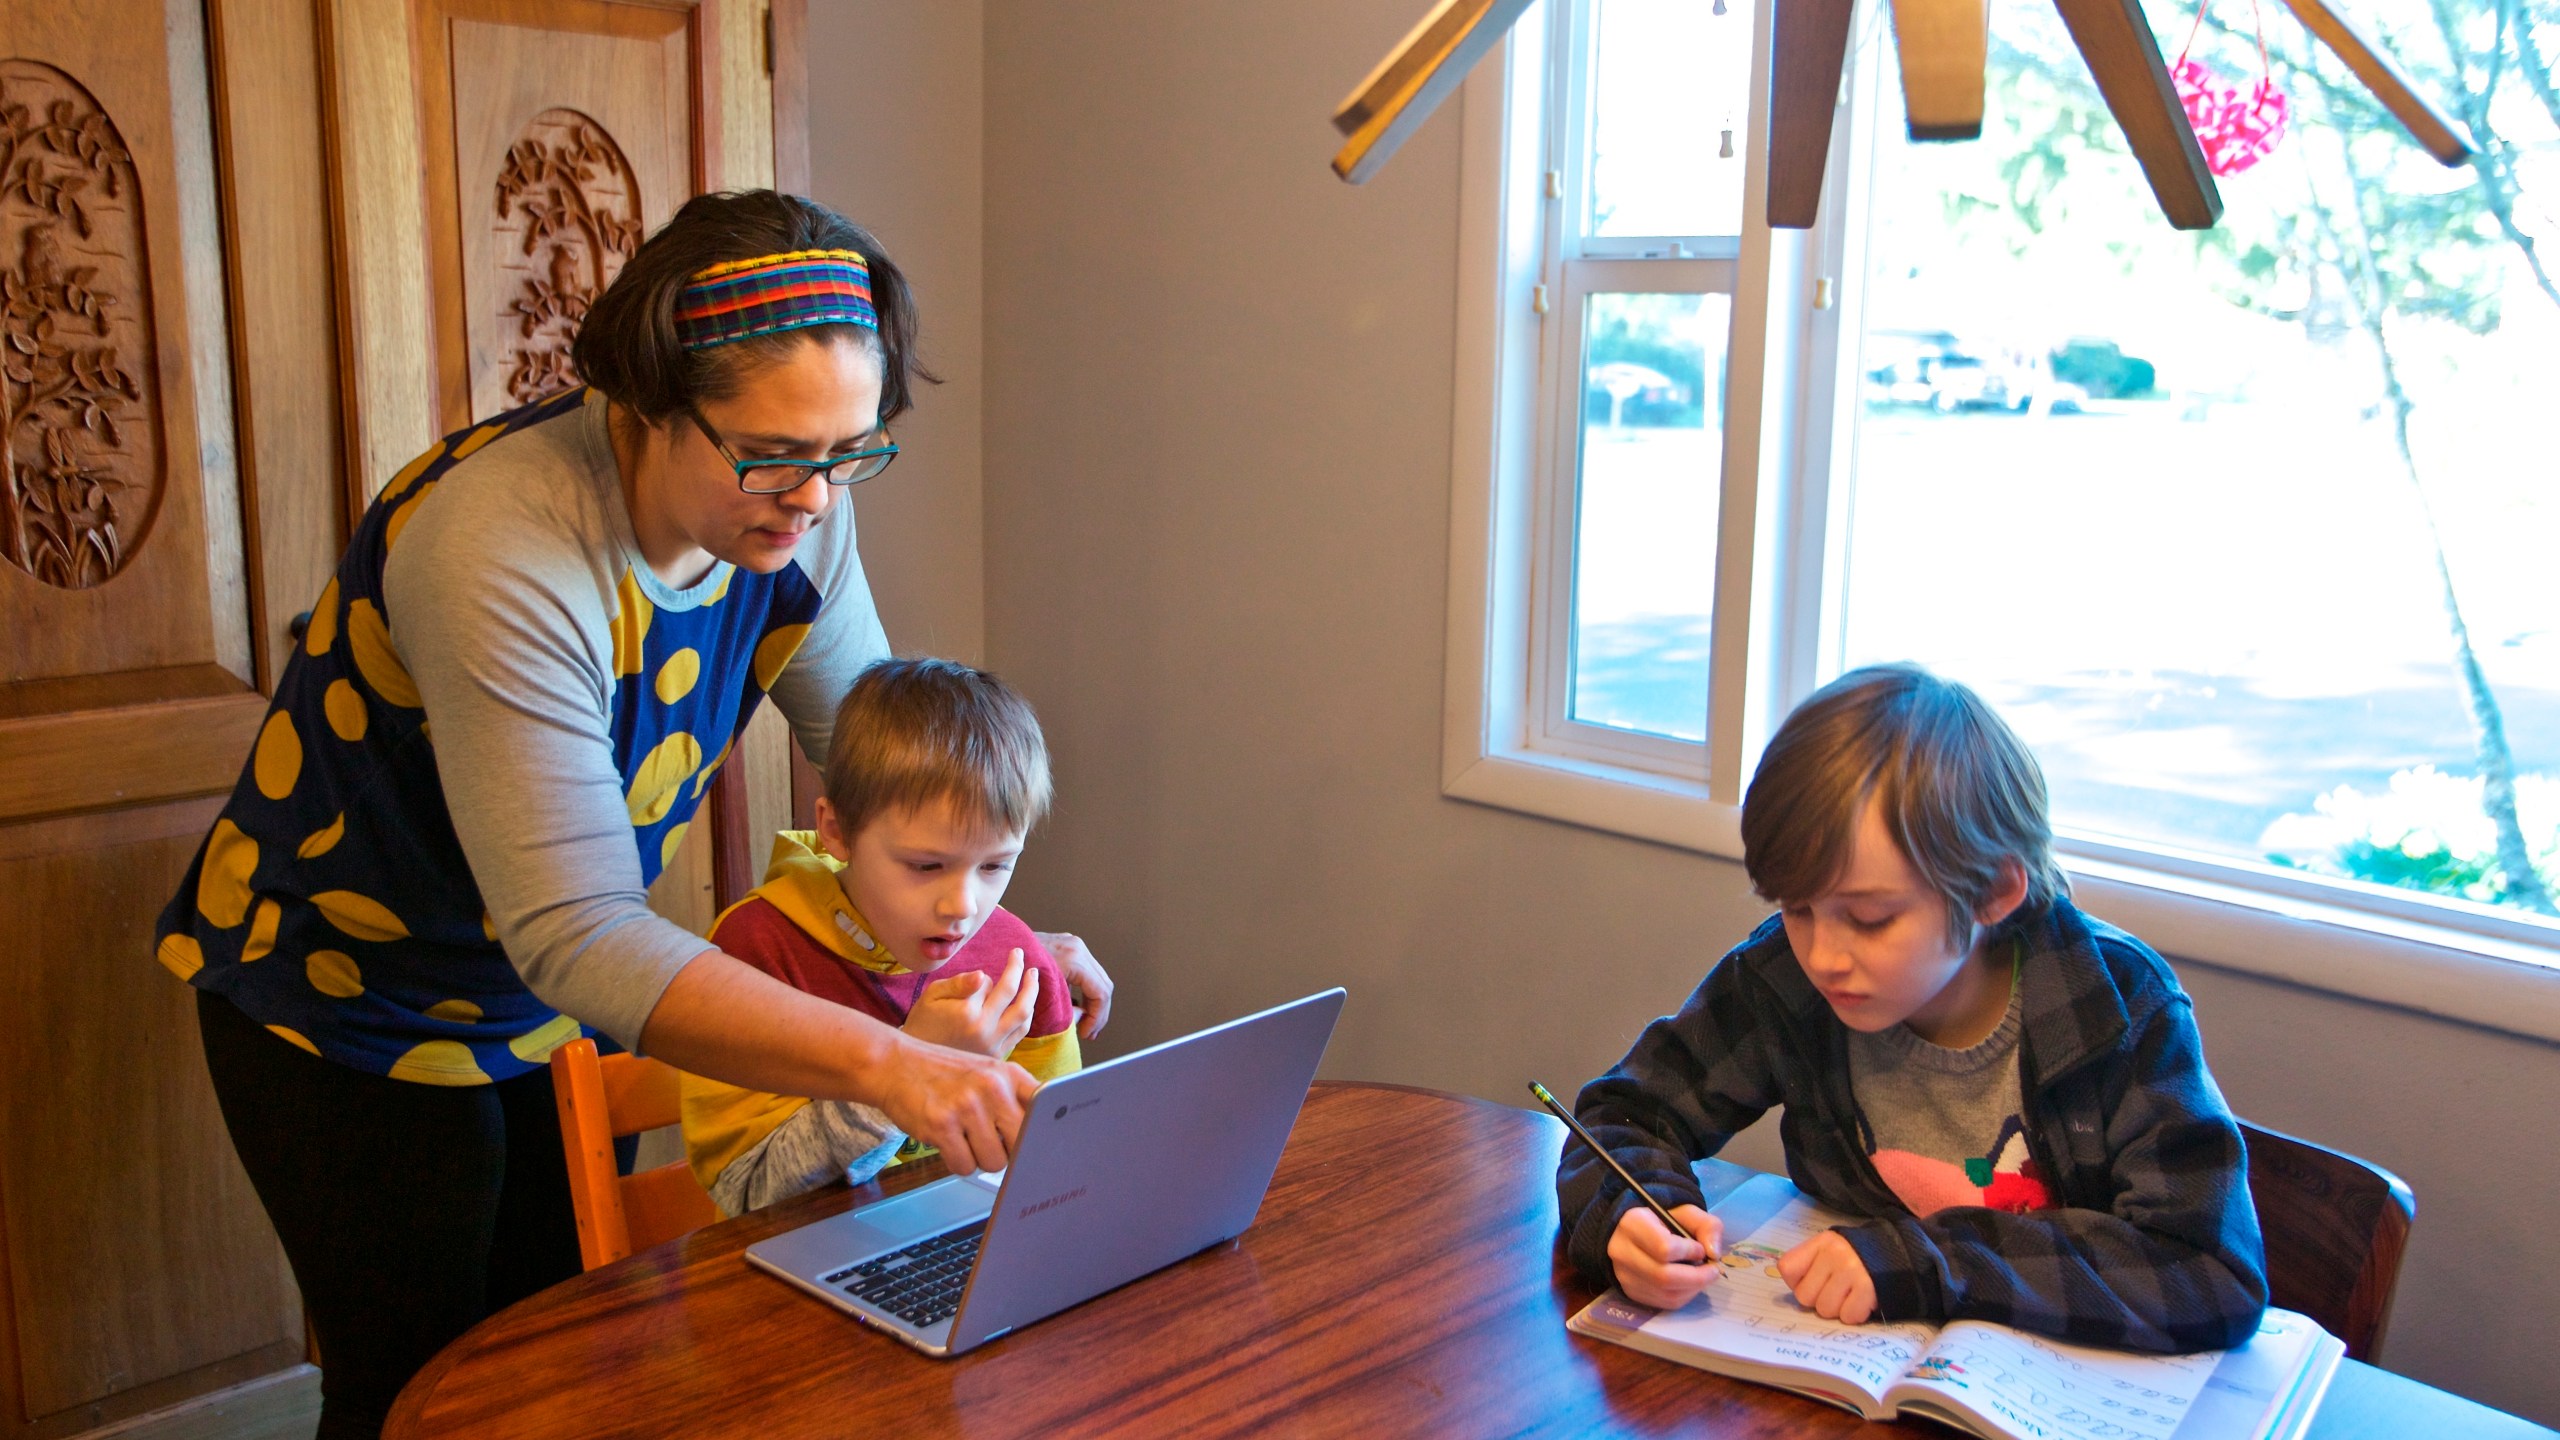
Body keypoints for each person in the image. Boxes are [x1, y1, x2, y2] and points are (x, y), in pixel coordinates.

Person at [151, 191, 1110, 1439]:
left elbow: (894, 782)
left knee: (557, 1367)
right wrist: (895, 1064)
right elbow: (579, 931)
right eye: (775, 452)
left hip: (534, 1007)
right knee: (416, 1391)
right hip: (345, 996)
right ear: (648, 403)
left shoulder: (794, 497)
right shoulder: (500, 542)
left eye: (848, 451)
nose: (815, 496)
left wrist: (999, 938)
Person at [1556, 664, 2266, 1354]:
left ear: (1993, 893)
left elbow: (2206, 1269)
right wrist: (1634, 1215)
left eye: (1869, 919)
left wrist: (1921, 1262)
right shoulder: (1785, 981)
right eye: (1798, 909)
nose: (1825, 955)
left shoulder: (2117, 1004)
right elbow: (1626, 1114)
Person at [684, 657, 1083, 1216]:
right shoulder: (756, 955)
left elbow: (1058, 1168)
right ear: (836, 831)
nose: (963, 907)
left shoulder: (1018, 967)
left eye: (995, 866)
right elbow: (750, 1196)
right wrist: (911, 1072)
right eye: (925, 866)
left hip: (961, 1257)